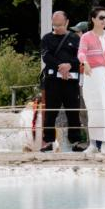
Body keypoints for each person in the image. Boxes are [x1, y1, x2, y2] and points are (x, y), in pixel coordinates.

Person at [77, 6, 105, 153]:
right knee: (94, 110)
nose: (104, 20)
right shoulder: (86, 37)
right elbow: (81, 52)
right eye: (101, 17)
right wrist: (85, 62)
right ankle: (93, 144)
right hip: (93, 75)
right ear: (93, 19)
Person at [39, 11, 85, 151]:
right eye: (54, 25)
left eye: (60, 25)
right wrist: (61, 67)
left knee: (73, 111)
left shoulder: (75, 39)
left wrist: (69, 65)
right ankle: (48, 141)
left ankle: (76, 141)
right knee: (51, 112)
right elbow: (46, 56)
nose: (57, 28)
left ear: (67, 23)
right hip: (53, 80)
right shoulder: (47, 38)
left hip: (71, 81)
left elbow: (80, 57)